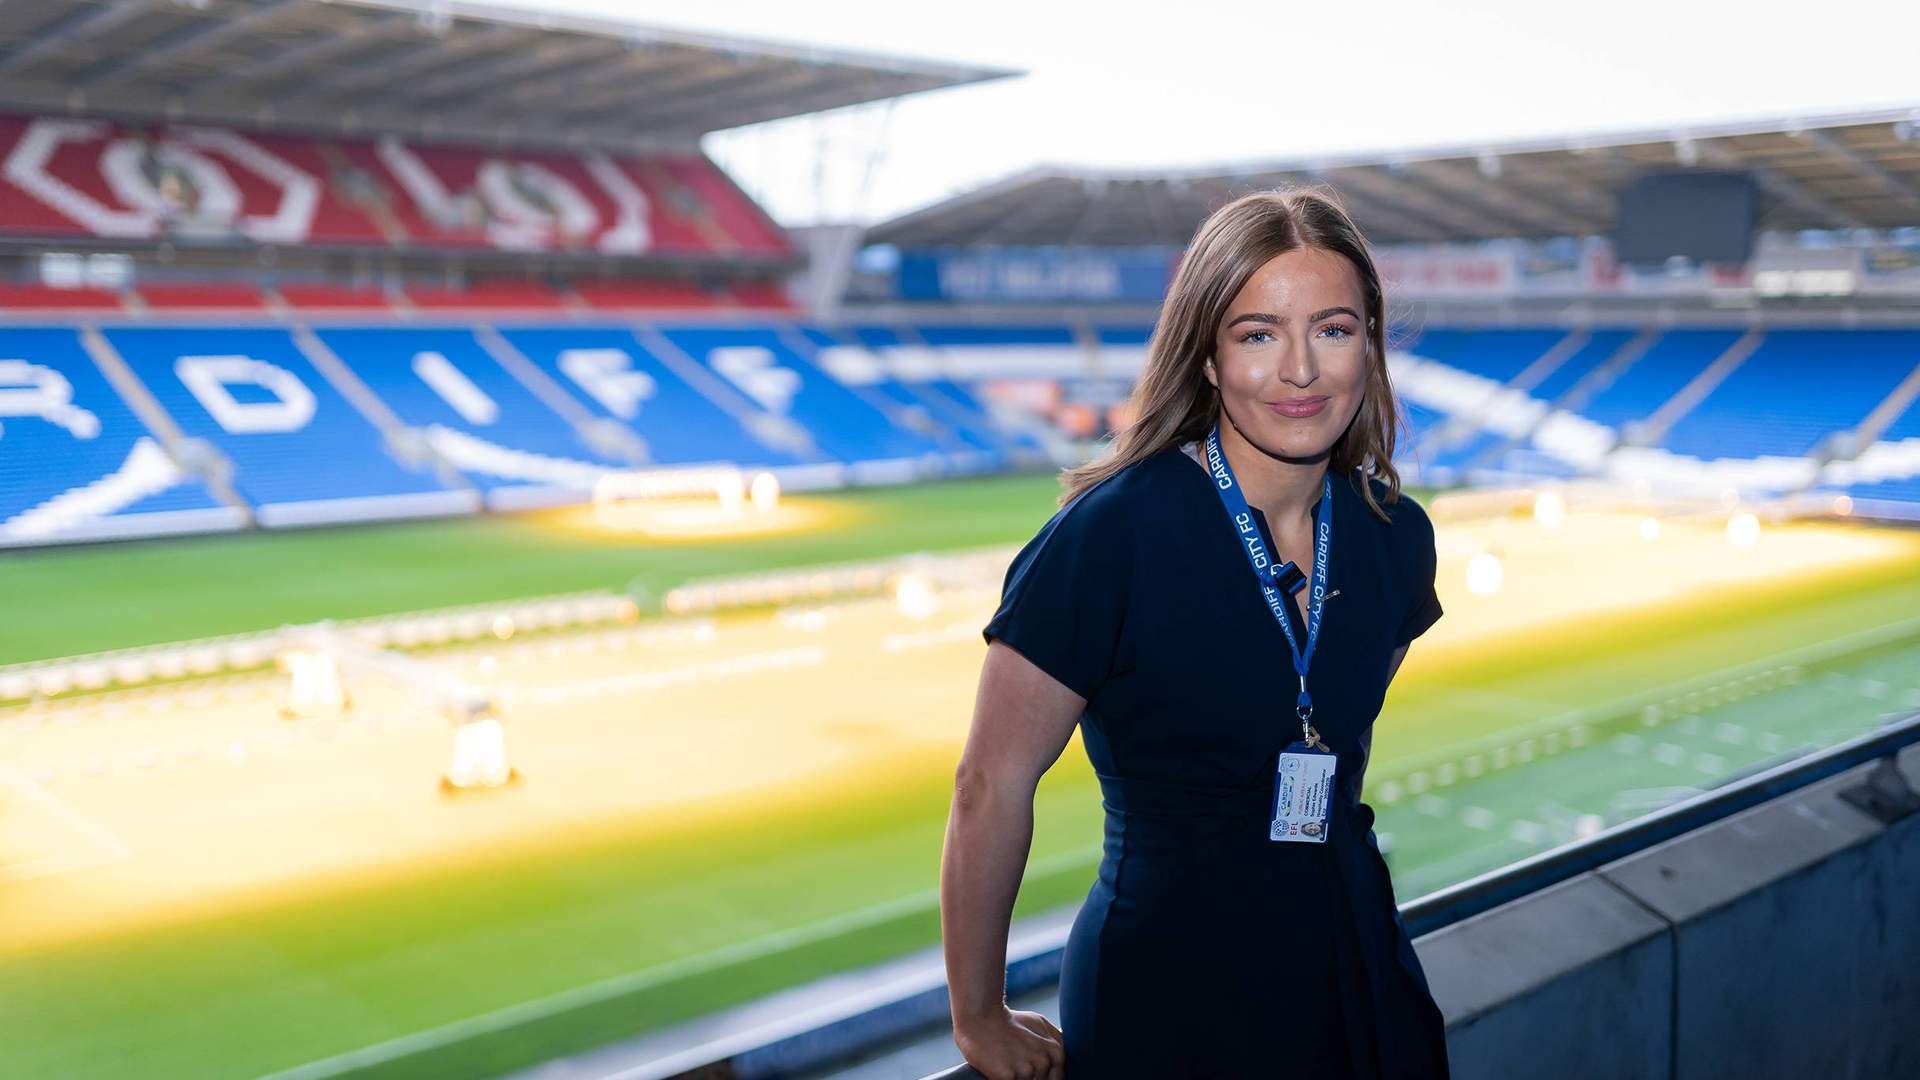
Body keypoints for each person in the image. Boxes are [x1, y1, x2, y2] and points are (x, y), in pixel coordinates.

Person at [940, 186, 1451, 1079]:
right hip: (1168, 982)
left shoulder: (1395, 537)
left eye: (1333, 329)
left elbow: (1331, 733)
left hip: (1350, 955)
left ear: (1370, 342)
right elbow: (990, 781)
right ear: (1208, 358)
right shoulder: (1110, 534)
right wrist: (978, 1013)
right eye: (1258, 334)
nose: (1301, 370)